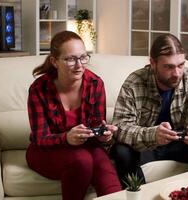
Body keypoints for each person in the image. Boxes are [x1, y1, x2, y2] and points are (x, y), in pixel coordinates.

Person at [111, 33, 188, 185]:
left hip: (181, 144)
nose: (177, 73)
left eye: (180, 65)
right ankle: (141, 195)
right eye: (168, 67)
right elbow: (120, 127)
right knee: (121, 151)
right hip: (147, 146)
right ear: (153, 63)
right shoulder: (134, 82)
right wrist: (153, 134)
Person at [26, 31, 121, 200]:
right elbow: (40, 138)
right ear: (54, 61)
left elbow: (97, 126)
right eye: (70, 59)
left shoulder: (95, 84)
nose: (79, 65)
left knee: (105, 169)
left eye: (83, 57)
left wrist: (103, 135)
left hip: (86, 146)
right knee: (82, 160)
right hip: (45, 151)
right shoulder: (38, 89)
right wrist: (66, 138)